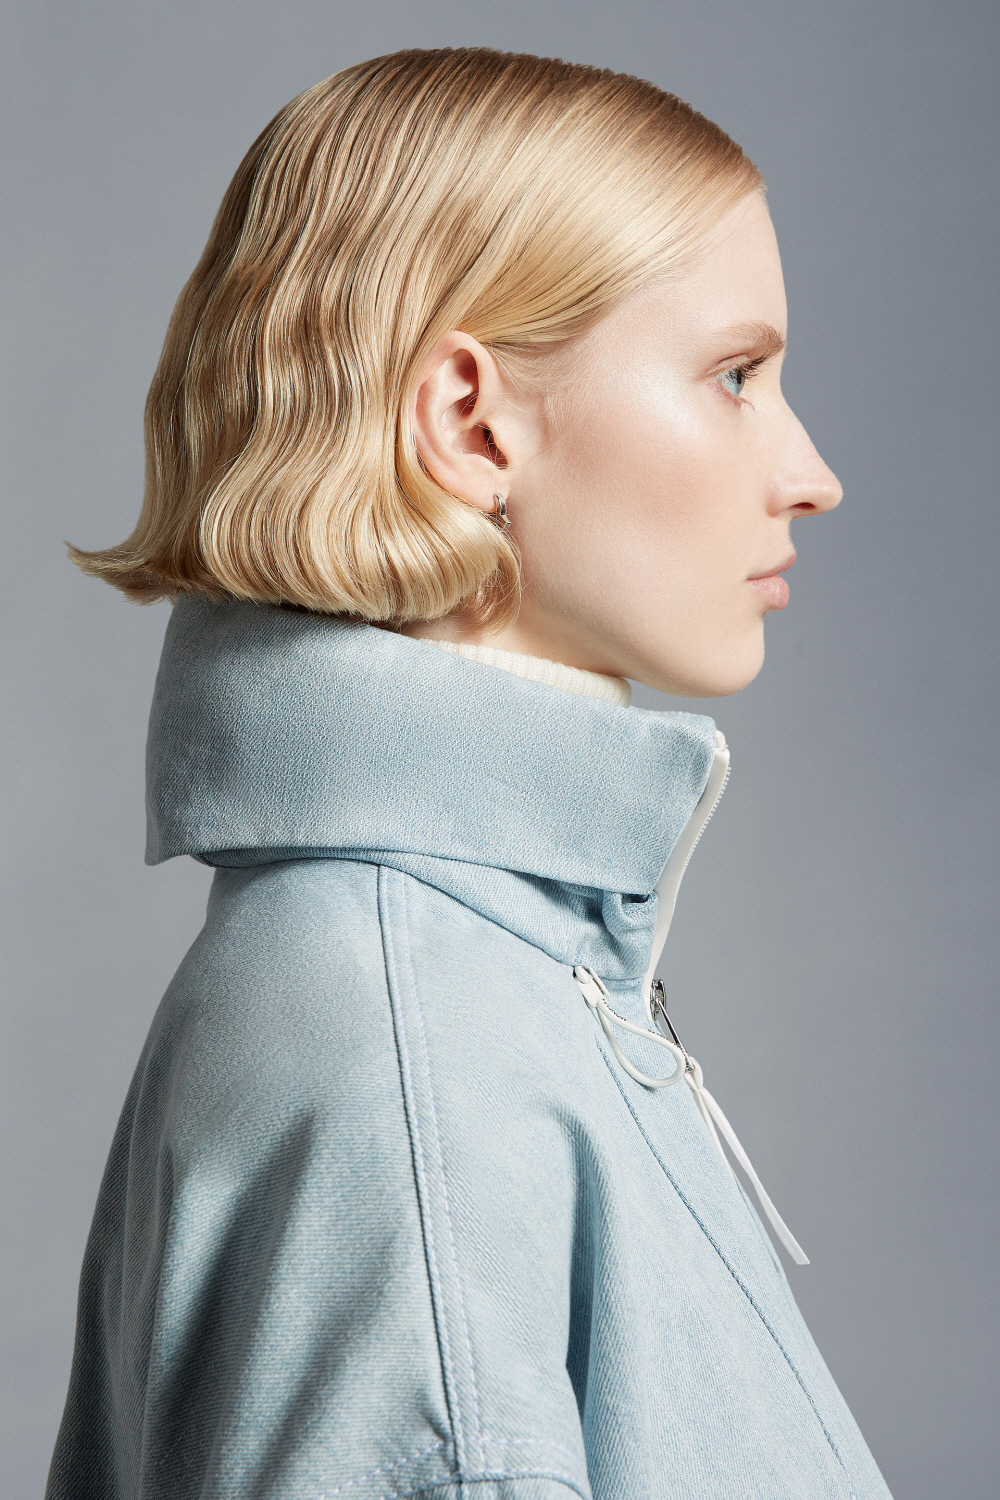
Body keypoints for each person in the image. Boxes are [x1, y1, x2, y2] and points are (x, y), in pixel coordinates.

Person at [46, 47, 891, 1500]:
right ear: (471, 423)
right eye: (736, 376)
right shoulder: (416, 1056)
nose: (812, 473)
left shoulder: (449, 969)